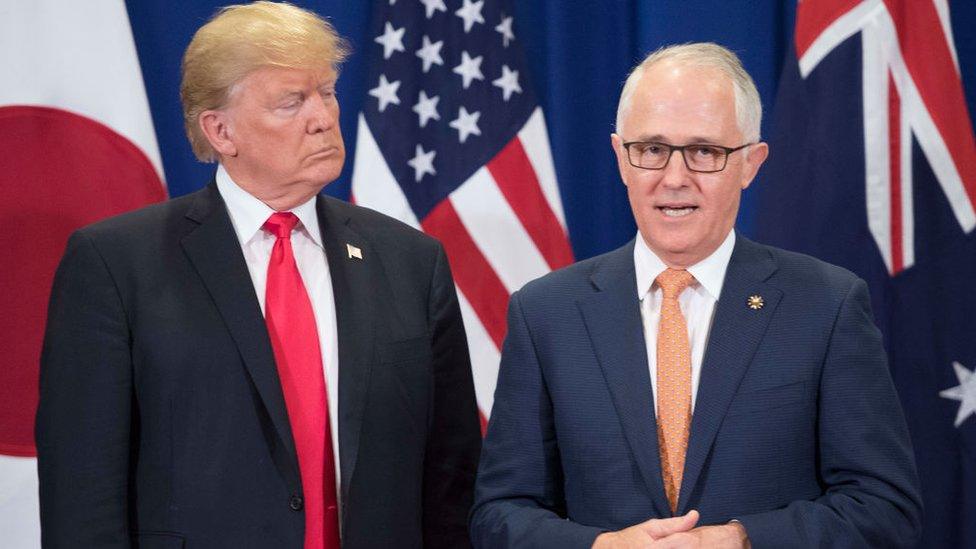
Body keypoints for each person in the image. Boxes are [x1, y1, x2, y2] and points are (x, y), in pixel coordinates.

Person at [35, 2, 481, 548]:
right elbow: (82, 493)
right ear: (220, 130)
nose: (322, 116)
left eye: (327, 92)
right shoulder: (116, 264)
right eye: (291, 102)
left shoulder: (412, 261)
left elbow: (451, 477)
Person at [470, 43, 921, 548]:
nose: (674, 178)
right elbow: (500, 512)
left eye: (705, 152)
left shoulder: (827, 305)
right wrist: (601, 547)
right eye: (652, 150)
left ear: (751, 163)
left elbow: (884, 507)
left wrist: (741, 541)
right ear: (621, 158)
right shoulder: (545, 313)